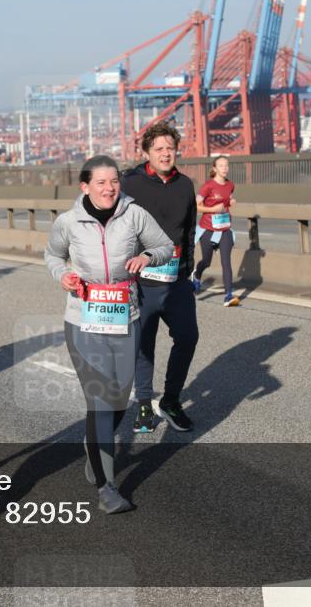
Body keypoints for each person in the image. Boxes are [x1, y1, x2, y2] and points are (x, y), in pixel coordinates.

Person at [45, 155, 173, 514]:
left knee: (118, 398)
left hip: (125, 317)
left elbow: (165, 247)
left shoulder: (135, 215)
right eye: (101, 182)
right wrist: (62, 276)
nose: (109, 188)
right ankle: (107, 487)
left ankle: (94, 447)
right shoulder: (69, 222)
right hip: (83, 321)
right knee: (101, 399)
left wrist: (147, 257)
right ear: (85, 186)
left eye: (114, 181)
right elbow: (52, 255)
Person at [121, 122, 199, 433]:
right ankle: (143, 405)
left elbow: (190, 230)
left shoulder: (185, 185)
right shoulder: (130, 184)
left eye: (170, 148)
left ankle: (170, 400)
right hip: (141, 282)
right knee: (144, 345)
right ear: (146, 153)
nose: (166, 154)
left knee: (188, 337)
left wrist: (188, 270)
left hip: (176, 280)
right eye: (159, 149)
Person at [193, 156, 239, 306]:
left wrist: (231, 202)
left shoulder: (230, 185)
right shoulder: (208, 186)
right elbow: (195, 206)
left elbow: (227, 201)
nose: (225, 168)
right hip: (208, 229)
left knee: (226, 262)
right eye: (221, 165)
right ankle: (197, 275)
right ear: (215, 168)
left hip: (224, 228)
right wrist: (212, 209)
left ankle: (228, 296)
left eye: (226, 165)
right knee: (206, 261)